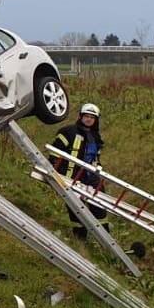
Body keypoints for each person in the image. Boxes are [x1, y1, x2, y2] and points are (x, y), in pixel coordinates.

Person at [49, 103, 108, 241]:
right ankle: (80, 241)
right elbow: (55, 153)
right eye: (86, 116)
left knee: (100, 209)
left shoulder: (96, 137)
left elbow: (96, 158)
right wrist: (56, 172)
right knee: (76, 210)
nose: (89, 119)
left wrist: (98, 168)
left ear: (96, 120)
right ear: (81, 116)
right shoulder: (68, 132)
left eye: (92, 117)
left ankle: (106, 241)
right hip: (72, 177)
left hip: (92, 178)